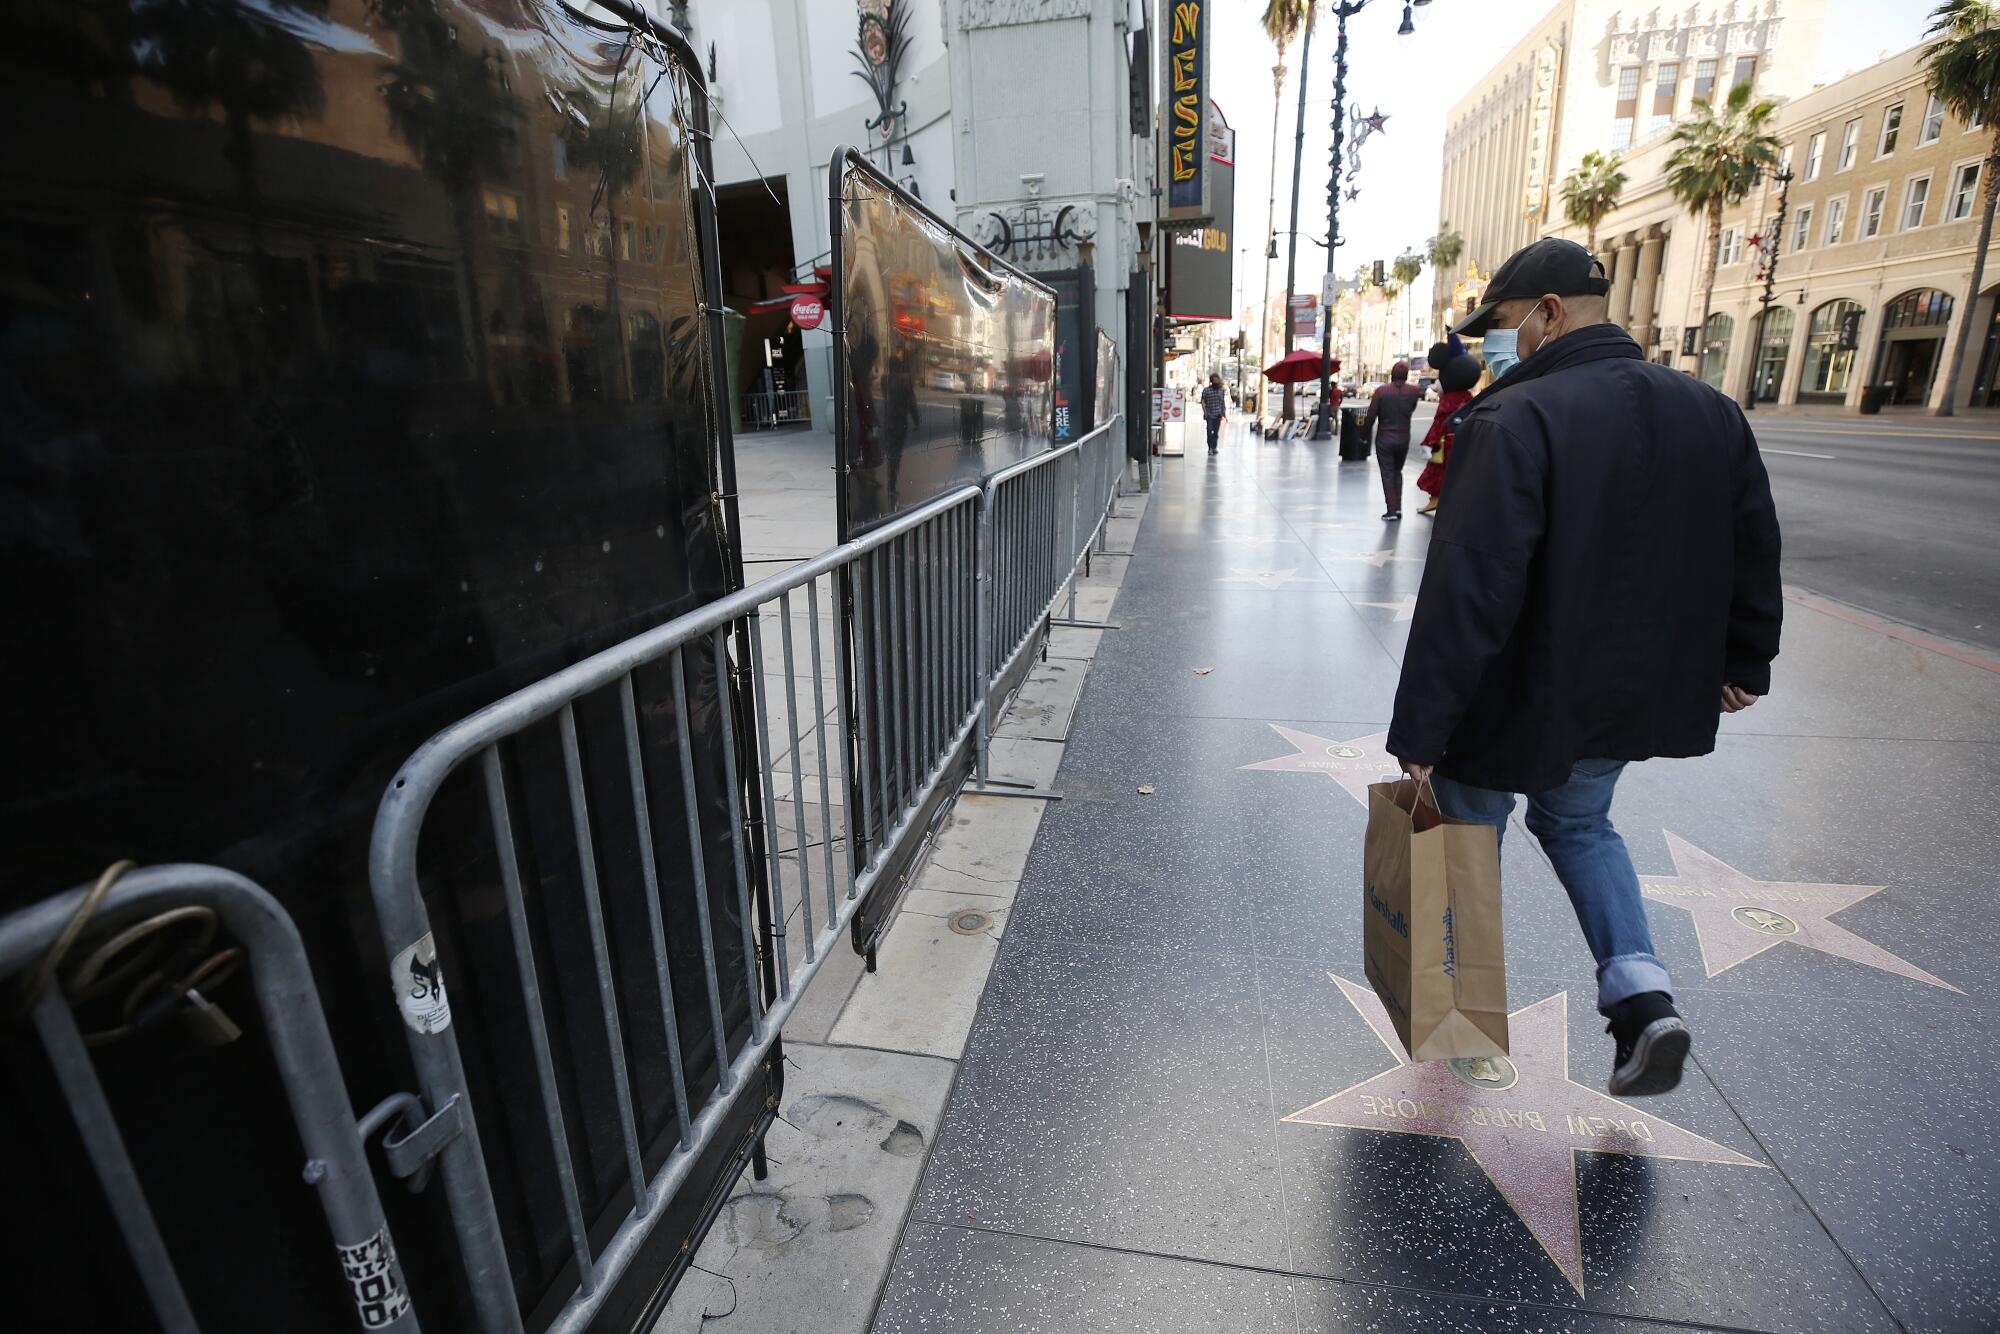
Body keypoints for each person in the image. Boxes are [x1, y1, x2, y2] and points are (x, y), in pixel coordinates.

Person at [1386, 237, 1782, 1098]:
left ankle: (1466, 1031)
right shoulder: (1710, 410)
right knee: (1580, 825)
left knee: (1466, 836)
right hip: (1624, 691)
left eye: (1505, 325)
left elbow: (1471, 586)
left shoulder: (1512, 418)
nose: (1505, 342)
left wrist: (1421, 728)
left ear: (1550, 312)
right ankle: (1642, 999)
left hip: (1509, 692)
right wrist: (1746, 656)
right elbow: (1754, 542)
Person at [1414, 340, 1482, 516]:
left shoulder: (1448, 402)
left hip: (1445, 448)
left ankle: (1436, 499)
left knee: (1440, 475)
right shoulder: (1468, 398)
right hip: (1465, 446)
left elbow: (1439, 426)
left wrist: (1428, 444)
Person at [1359, 360, 1422, 520]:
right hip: (1403, 437)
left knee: (1387, 473)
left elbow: (1371, 416)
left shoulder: (1381, 391)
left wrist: (1364, 436)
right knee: (1397, 472)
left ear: (1392, 374)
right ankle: (1398, 507)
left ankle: (1391, 509)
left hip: (1385, 438)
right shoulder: (1414, 391)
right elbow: (1411, 409)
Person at [1201, 373, 1227, 454]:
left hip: (1218, 414)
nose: (1216, 382)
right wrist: (1205, 412)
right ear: (1211, 381)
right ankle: (1210, 448)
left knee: (1215, 432)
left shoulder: (1221, 390)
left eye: (1217, 380)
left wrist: (1224, 414)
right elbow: (1203, 401)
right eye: (1214, 380)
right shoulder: (1206, 390)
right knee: (1209, 431)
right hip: (1209, 414)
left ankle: (1214, 447)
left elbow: (1222, 403)